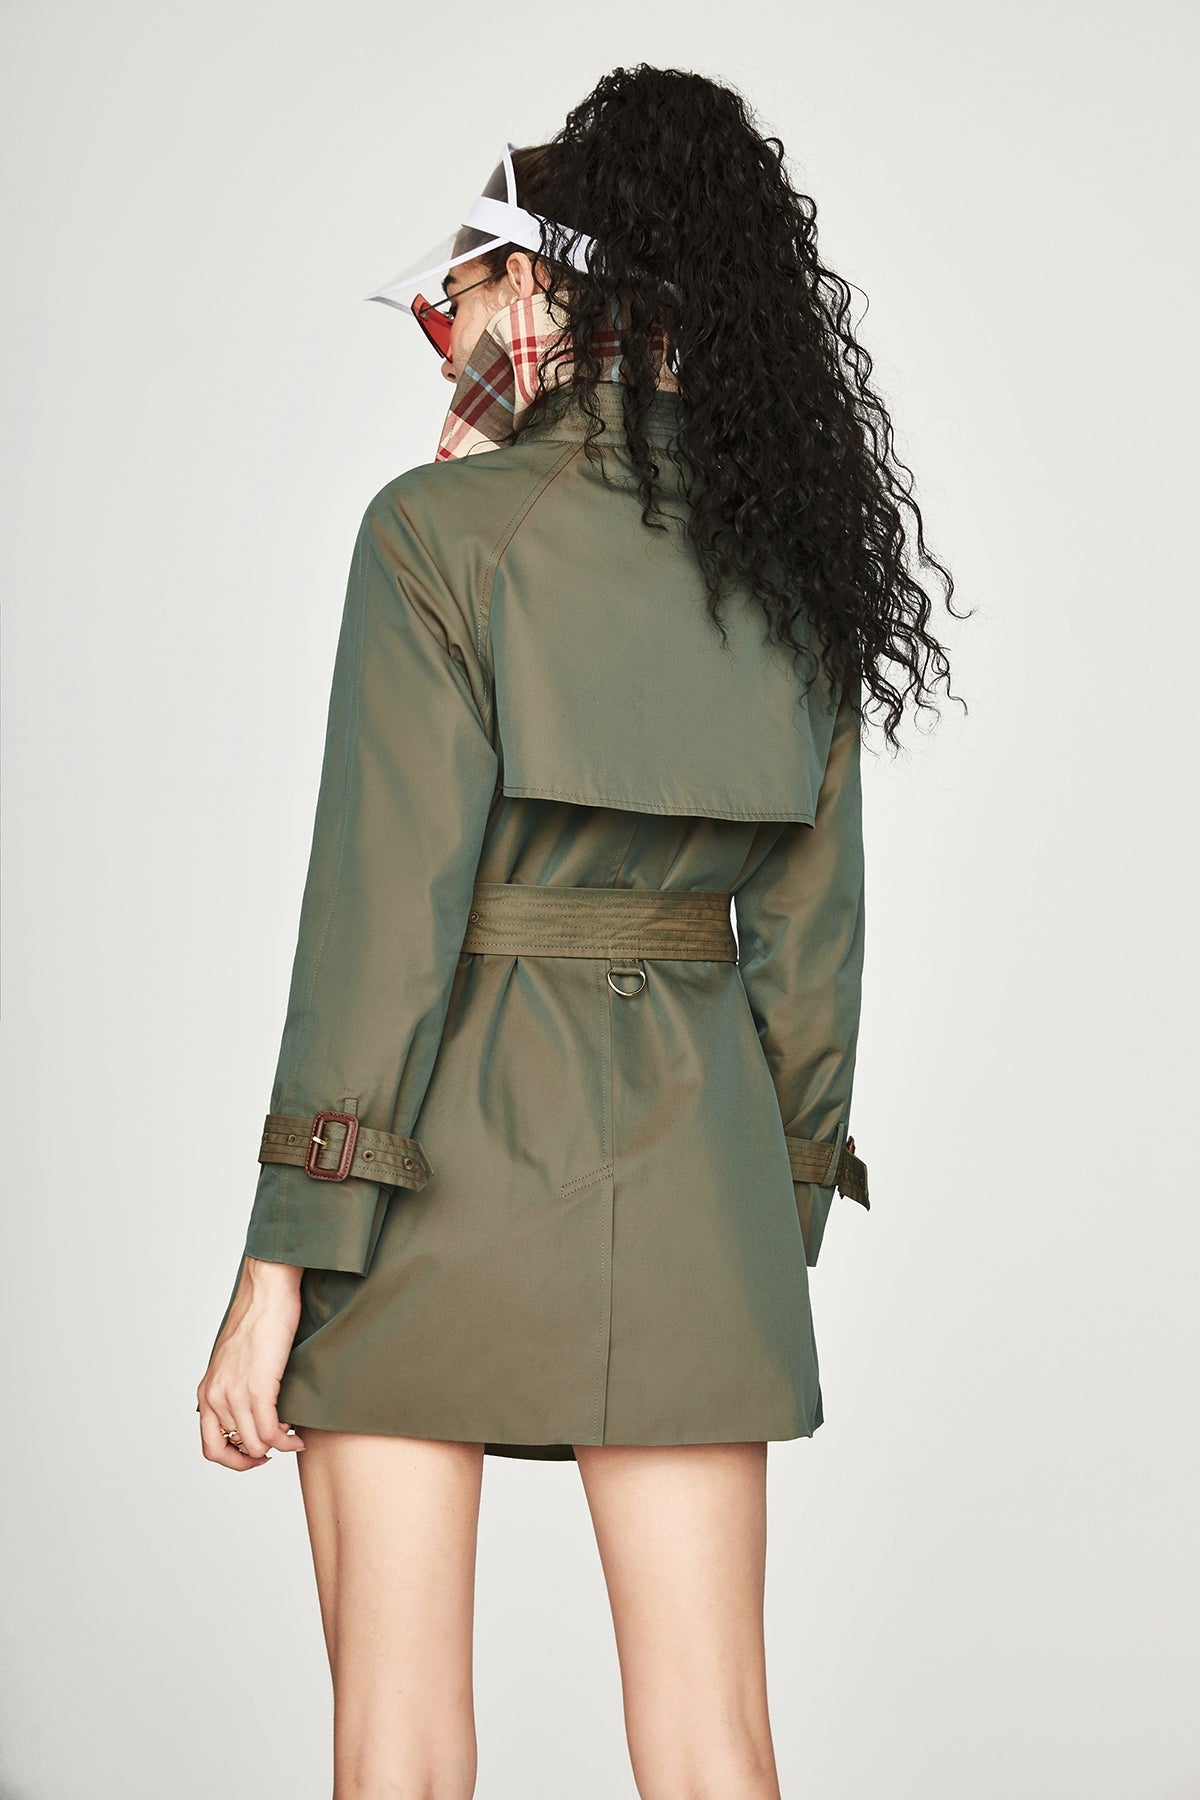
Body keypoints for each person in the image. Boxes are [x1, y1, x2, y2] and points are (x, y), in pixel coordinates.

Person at [196, 63, 961, 1800]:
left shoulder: (433, 537)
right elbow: (812, 953)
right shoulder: (797, 567)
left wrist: (276, 1267)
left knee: (395, 1753)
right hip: (692, 1184)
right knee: (715, 1750)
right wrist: (758, 1231)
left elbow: (377, 932)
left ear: (545, 291)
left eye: (457, 294)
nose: (441, 339)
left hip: (423, 1189)